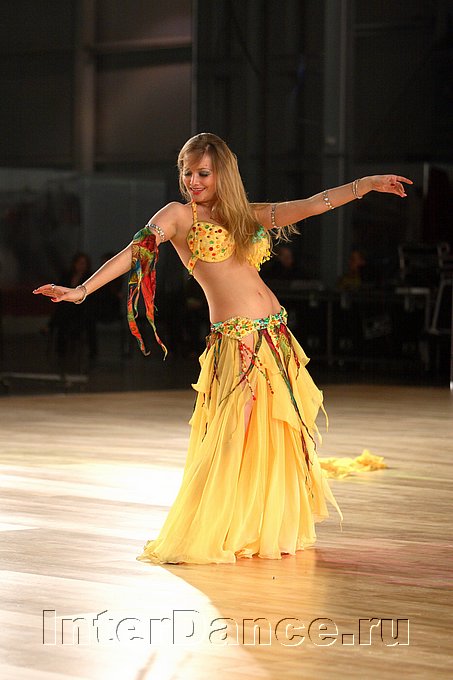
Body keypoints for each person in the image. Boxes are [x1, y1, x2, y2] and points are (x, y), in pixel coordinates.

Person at [33, 133, 412, 564]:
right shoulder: (178, 216)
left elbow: (310, 205)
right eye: (187, 173)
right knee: (233, 433)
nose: (193, 181)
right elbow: (135, 252)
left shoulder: (241, 214)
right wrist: (83, 290)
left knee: (273, 434)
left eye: (203, 173)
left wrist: (365, 185)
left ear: (222, 174)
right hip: (236, 338)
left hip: (274, 334)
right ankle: (216, 528)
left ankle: (261, 526)